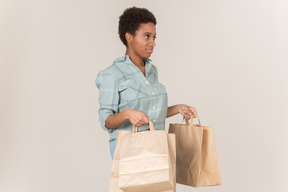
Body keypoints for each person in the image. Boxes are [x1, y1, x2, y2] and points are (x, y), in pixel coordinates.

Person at [95, 7, 197, 159]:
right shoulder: (112, 74)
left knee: (164, 183)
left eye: (154, 37)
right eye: (147, 36)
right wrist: (127, 114)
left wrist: (178, 108)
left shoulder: (151, 70)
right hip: (129, 149)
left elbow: (150, 112)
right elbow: (106, 120)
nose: (153, 43)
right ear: (129, 37)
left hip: (156, 144)